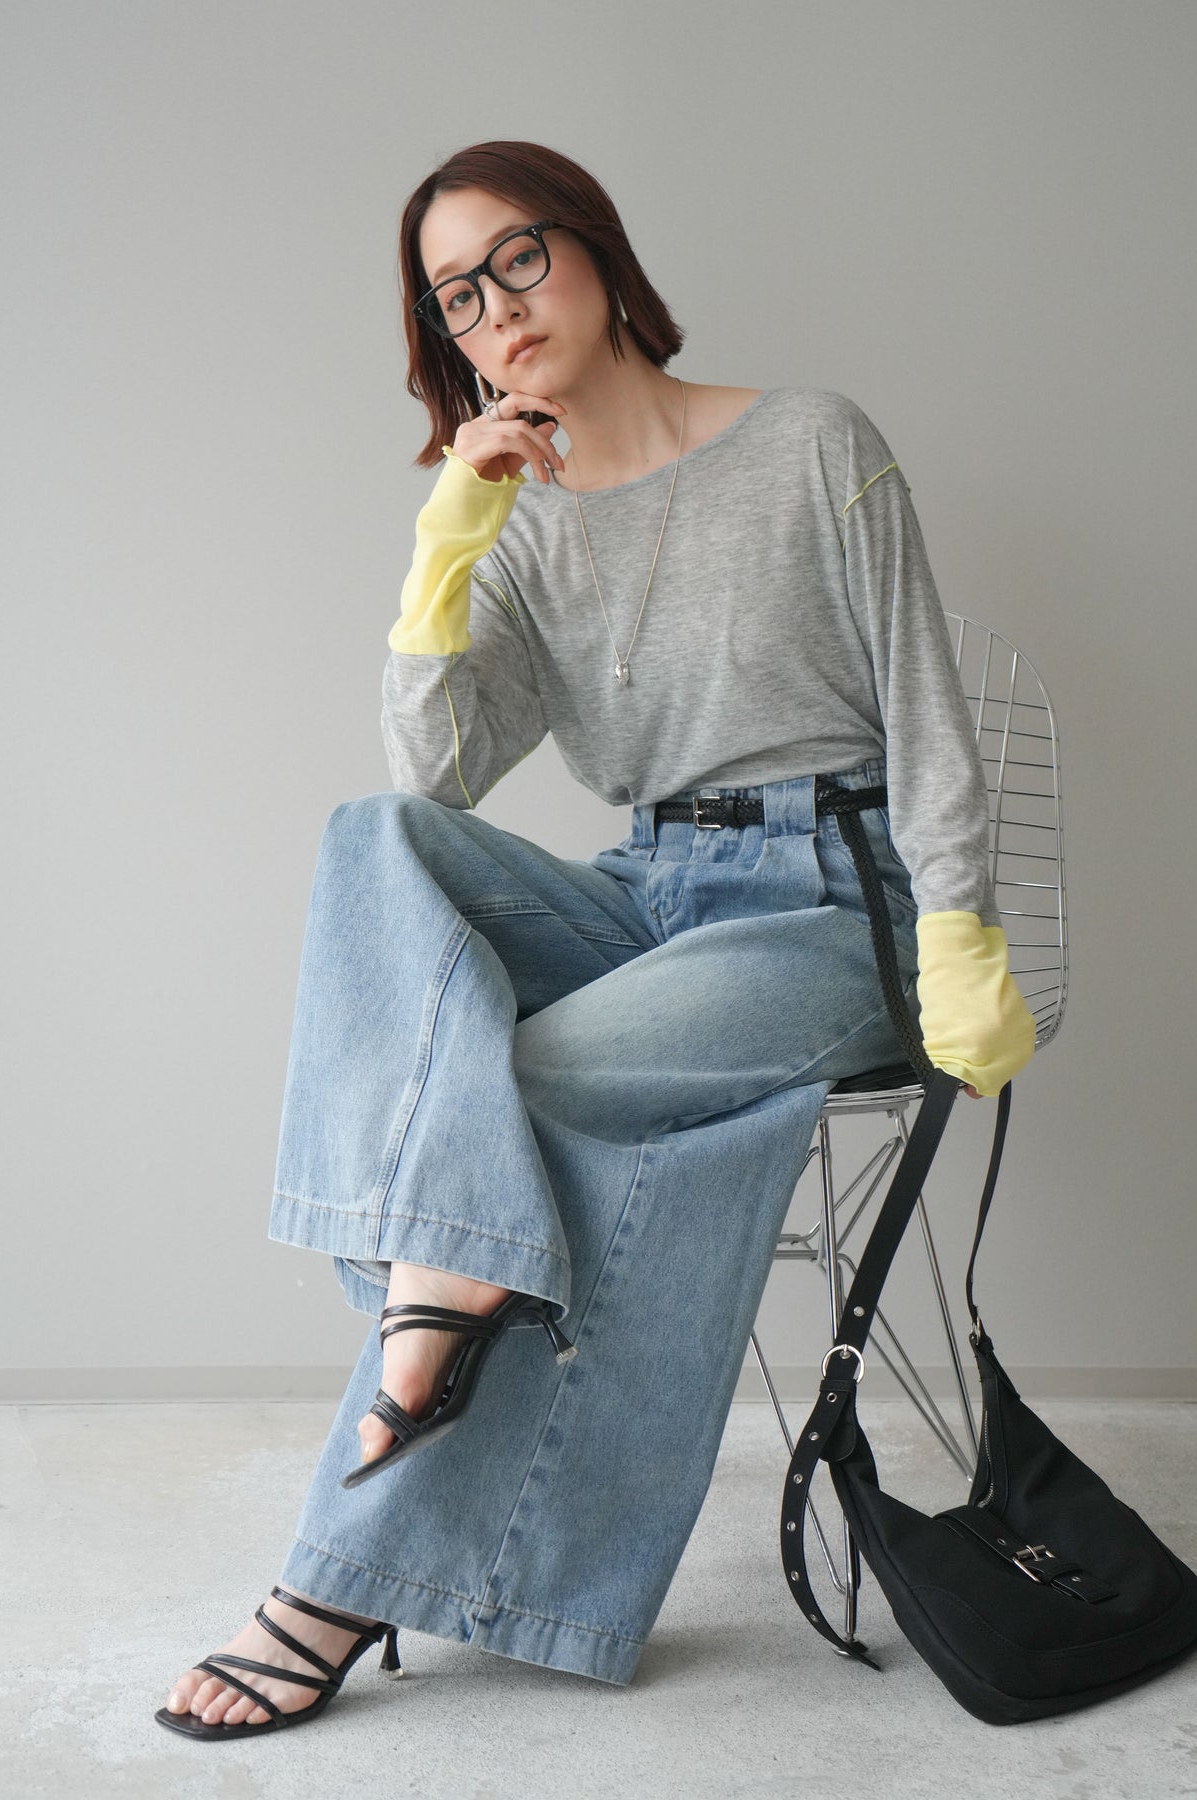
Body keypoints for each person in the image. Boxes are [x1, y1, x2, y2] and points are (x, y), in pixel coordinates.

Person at [156, 138, 1035, 1740]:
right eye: (453, 298)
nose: (494, 308)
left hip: (828, 899)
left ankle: (334, 1571)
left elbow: (926, 711)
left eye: (518, 258)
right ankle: (440, 1286)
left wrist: (961, 931)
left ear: (598, 252)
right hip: (650, 894)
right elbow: (433, 780)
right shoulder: (521, 519)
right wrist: (449, 538)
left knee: (524, 1097)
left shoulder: (810, 440)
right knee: (369, 838)